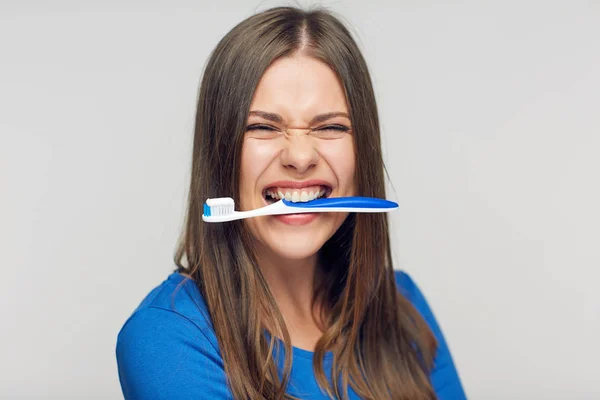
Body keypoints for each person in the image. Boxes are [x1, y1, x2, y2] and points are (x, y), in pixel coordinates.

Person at [116, 6, 466, 400]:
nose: (300, 157)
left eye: (330, 126)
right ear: (220, 154)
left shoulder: (402, 305)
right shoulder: (167, 338)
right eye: (263, 127)